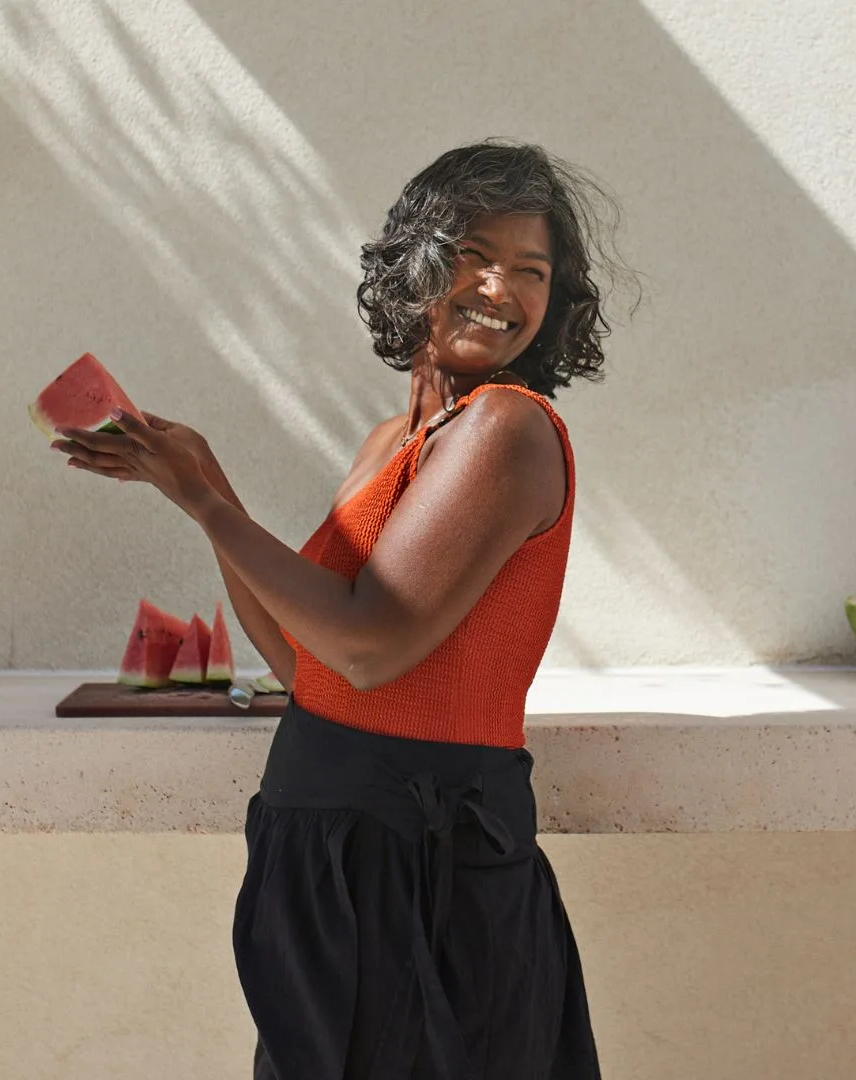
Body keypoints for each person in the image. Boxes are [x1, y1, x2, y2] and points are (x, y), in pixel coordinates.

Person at [52, 139, 626, 1079]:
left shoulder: (507, 429)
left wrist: (205, 502)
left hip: (426, 862)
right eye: (474, 254)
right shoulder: (392, 442)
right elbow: (305, 662)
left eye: (530, 270)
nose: (499, 287)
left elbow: (370, 647)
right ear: (417, 265)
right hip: (330, 854)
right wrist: (207, 492)